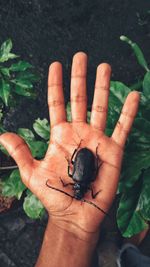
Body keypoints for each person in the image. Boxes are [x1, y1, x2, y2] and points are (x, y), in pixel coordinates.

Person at [0, 52, 140, 267]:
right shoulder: (77, 180)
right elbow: (82, 169)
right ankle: (123, 252)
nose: (79, 193)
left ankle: (119, 251)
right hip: (83, 157)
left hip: (85, 158)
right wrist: (69, 226)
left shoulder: (84, 183)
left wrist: (69, 228)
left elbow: (89, 171)